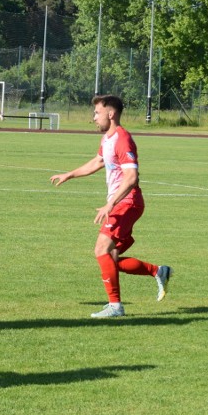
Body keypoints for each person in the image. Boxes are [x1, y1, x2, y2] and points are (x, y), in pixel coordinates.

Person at [49, 94, 172, 318]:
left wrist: (110, 204)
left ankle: (115, 307)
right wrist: (70, 174)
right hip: (122, 202)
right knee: (111, 258)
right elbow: (98, 162)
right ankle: (158, 271)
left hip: (127, 202)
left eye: (97, 112)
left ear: (111, 113)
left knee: (101, 250)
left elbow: (131, 176)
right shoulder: (107, 138)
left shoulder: (122, 139)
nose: (94, 117)